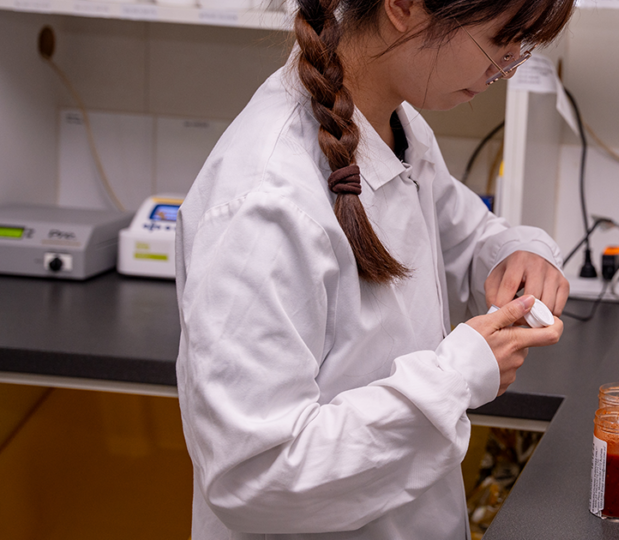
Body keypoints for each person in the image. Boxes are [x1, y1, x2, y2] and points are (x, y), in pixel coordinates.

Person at [174, 0, 574, 537]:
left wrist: (515, 252)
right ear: (404, 7)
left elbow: (463, 232)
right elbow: (255, 477)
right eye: (499, 43)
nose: (506, 70)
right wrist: (456, 379)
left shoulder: (391, 124)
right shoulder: (267, 201)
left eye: (520, 50)